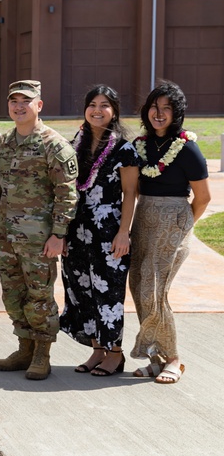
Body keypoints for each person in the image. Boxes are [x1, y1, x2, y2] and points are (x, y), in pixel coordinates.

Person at [0, 80, 78, 381]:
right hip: (7, 237)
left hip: (40, 240)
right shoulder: (2, 145)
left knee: (39, 296)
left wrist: (58, 234)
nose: (19, 106)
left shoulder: (53, 145)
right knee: (12, 295)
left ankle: (42, 353)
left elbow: (67, 193)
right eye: (13, 100)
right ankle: (24, 348)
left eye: (26, 100)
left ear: (39, 105)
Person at [129, 80, 211, 384]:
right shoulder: (141, 146)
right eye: (154, 106)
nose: (159, 113)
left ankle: (174, 359)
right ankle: (155, 358)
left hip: (174, 221)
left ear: (177, 114)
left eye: (167, 108)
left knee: (155, 290)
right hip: (144, 219)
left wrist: (181, 225)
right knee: (138, 285)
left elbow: (203, 198)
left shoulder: (187, 148)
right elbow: (136, 189)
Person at [59, 85, 138, 377]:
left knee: (108, 291)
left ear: (114, 110)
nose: (97, 110)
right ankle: (96, 350)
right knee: (81, 290)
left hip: (108, 231)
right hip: (77, 229)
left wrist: (123, 233)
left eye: (105, 105)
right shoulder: (74, 144)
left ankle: (115, 355)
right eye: (92, 104)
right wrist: (63, 233)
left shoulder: (124, 148)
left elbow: (130, 193)